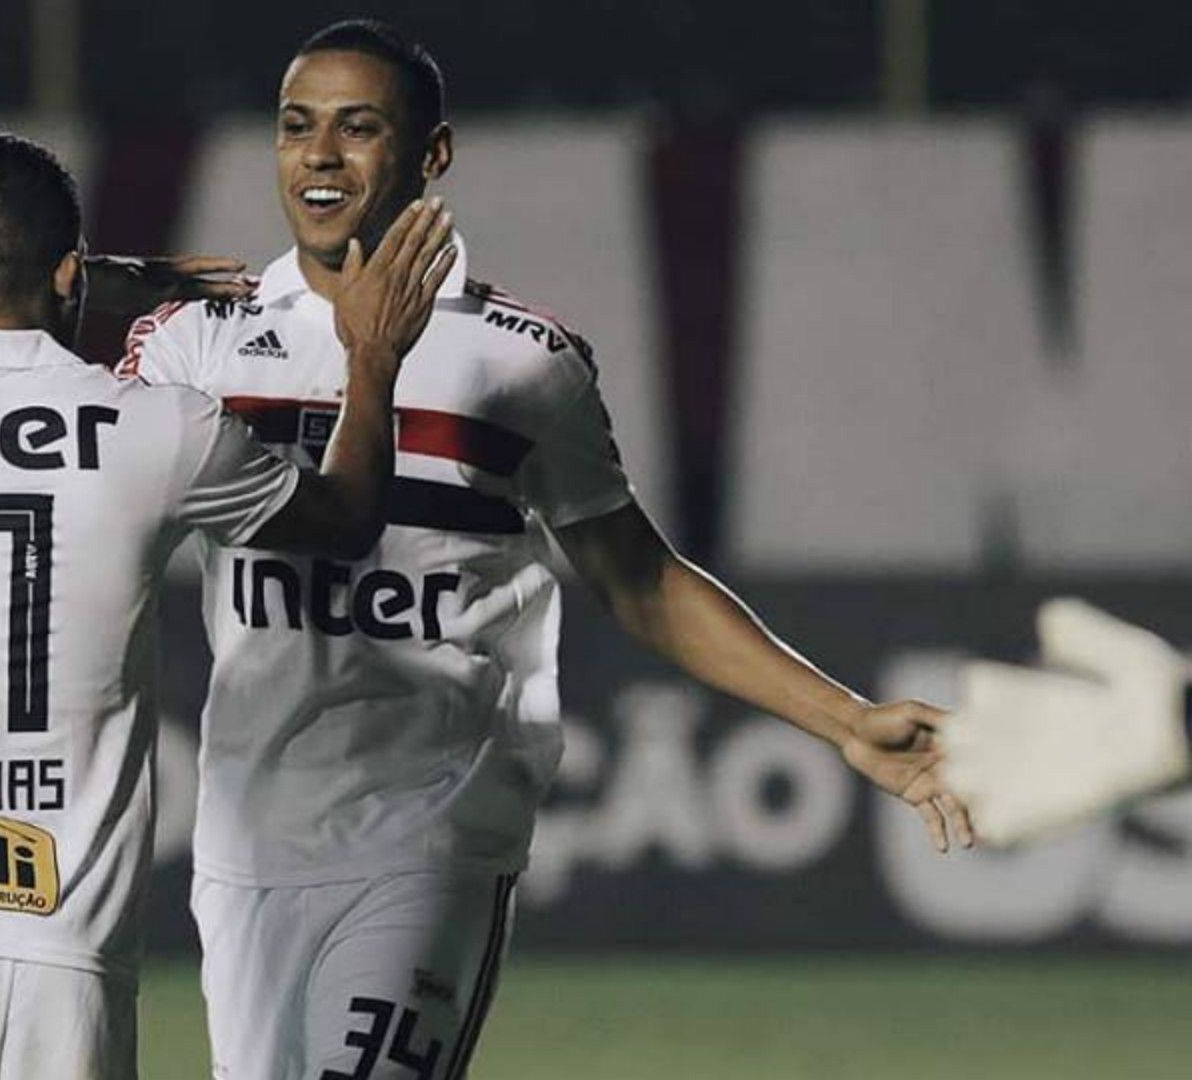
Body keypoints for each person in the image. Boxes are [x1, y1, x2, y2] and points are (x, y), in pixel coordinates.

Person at [110, 19, 975, 1079]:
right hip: (250, 839)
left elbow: (638, 578)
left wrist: (845, 720)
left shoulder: (520, 357)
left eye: (357, 127)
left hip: (431, 833)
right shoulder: (199, 341)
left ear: (431, 155)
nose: (319, 156)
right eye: (297, 127)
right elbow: (59, 456)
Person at [0, 132, 454, 1078]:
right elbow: (346, 519)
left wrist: (91, 284)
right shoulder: (162, 426)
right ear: (66, 270)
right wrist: (373, 357)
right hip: (68, 962)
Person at [934, 598, 1191, 844]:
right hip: (1161, 753)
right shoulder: (1152, 676)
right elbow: (1056, 620)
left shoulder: (1152, 673)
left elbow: (1055, 618)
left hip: (1161, 748)